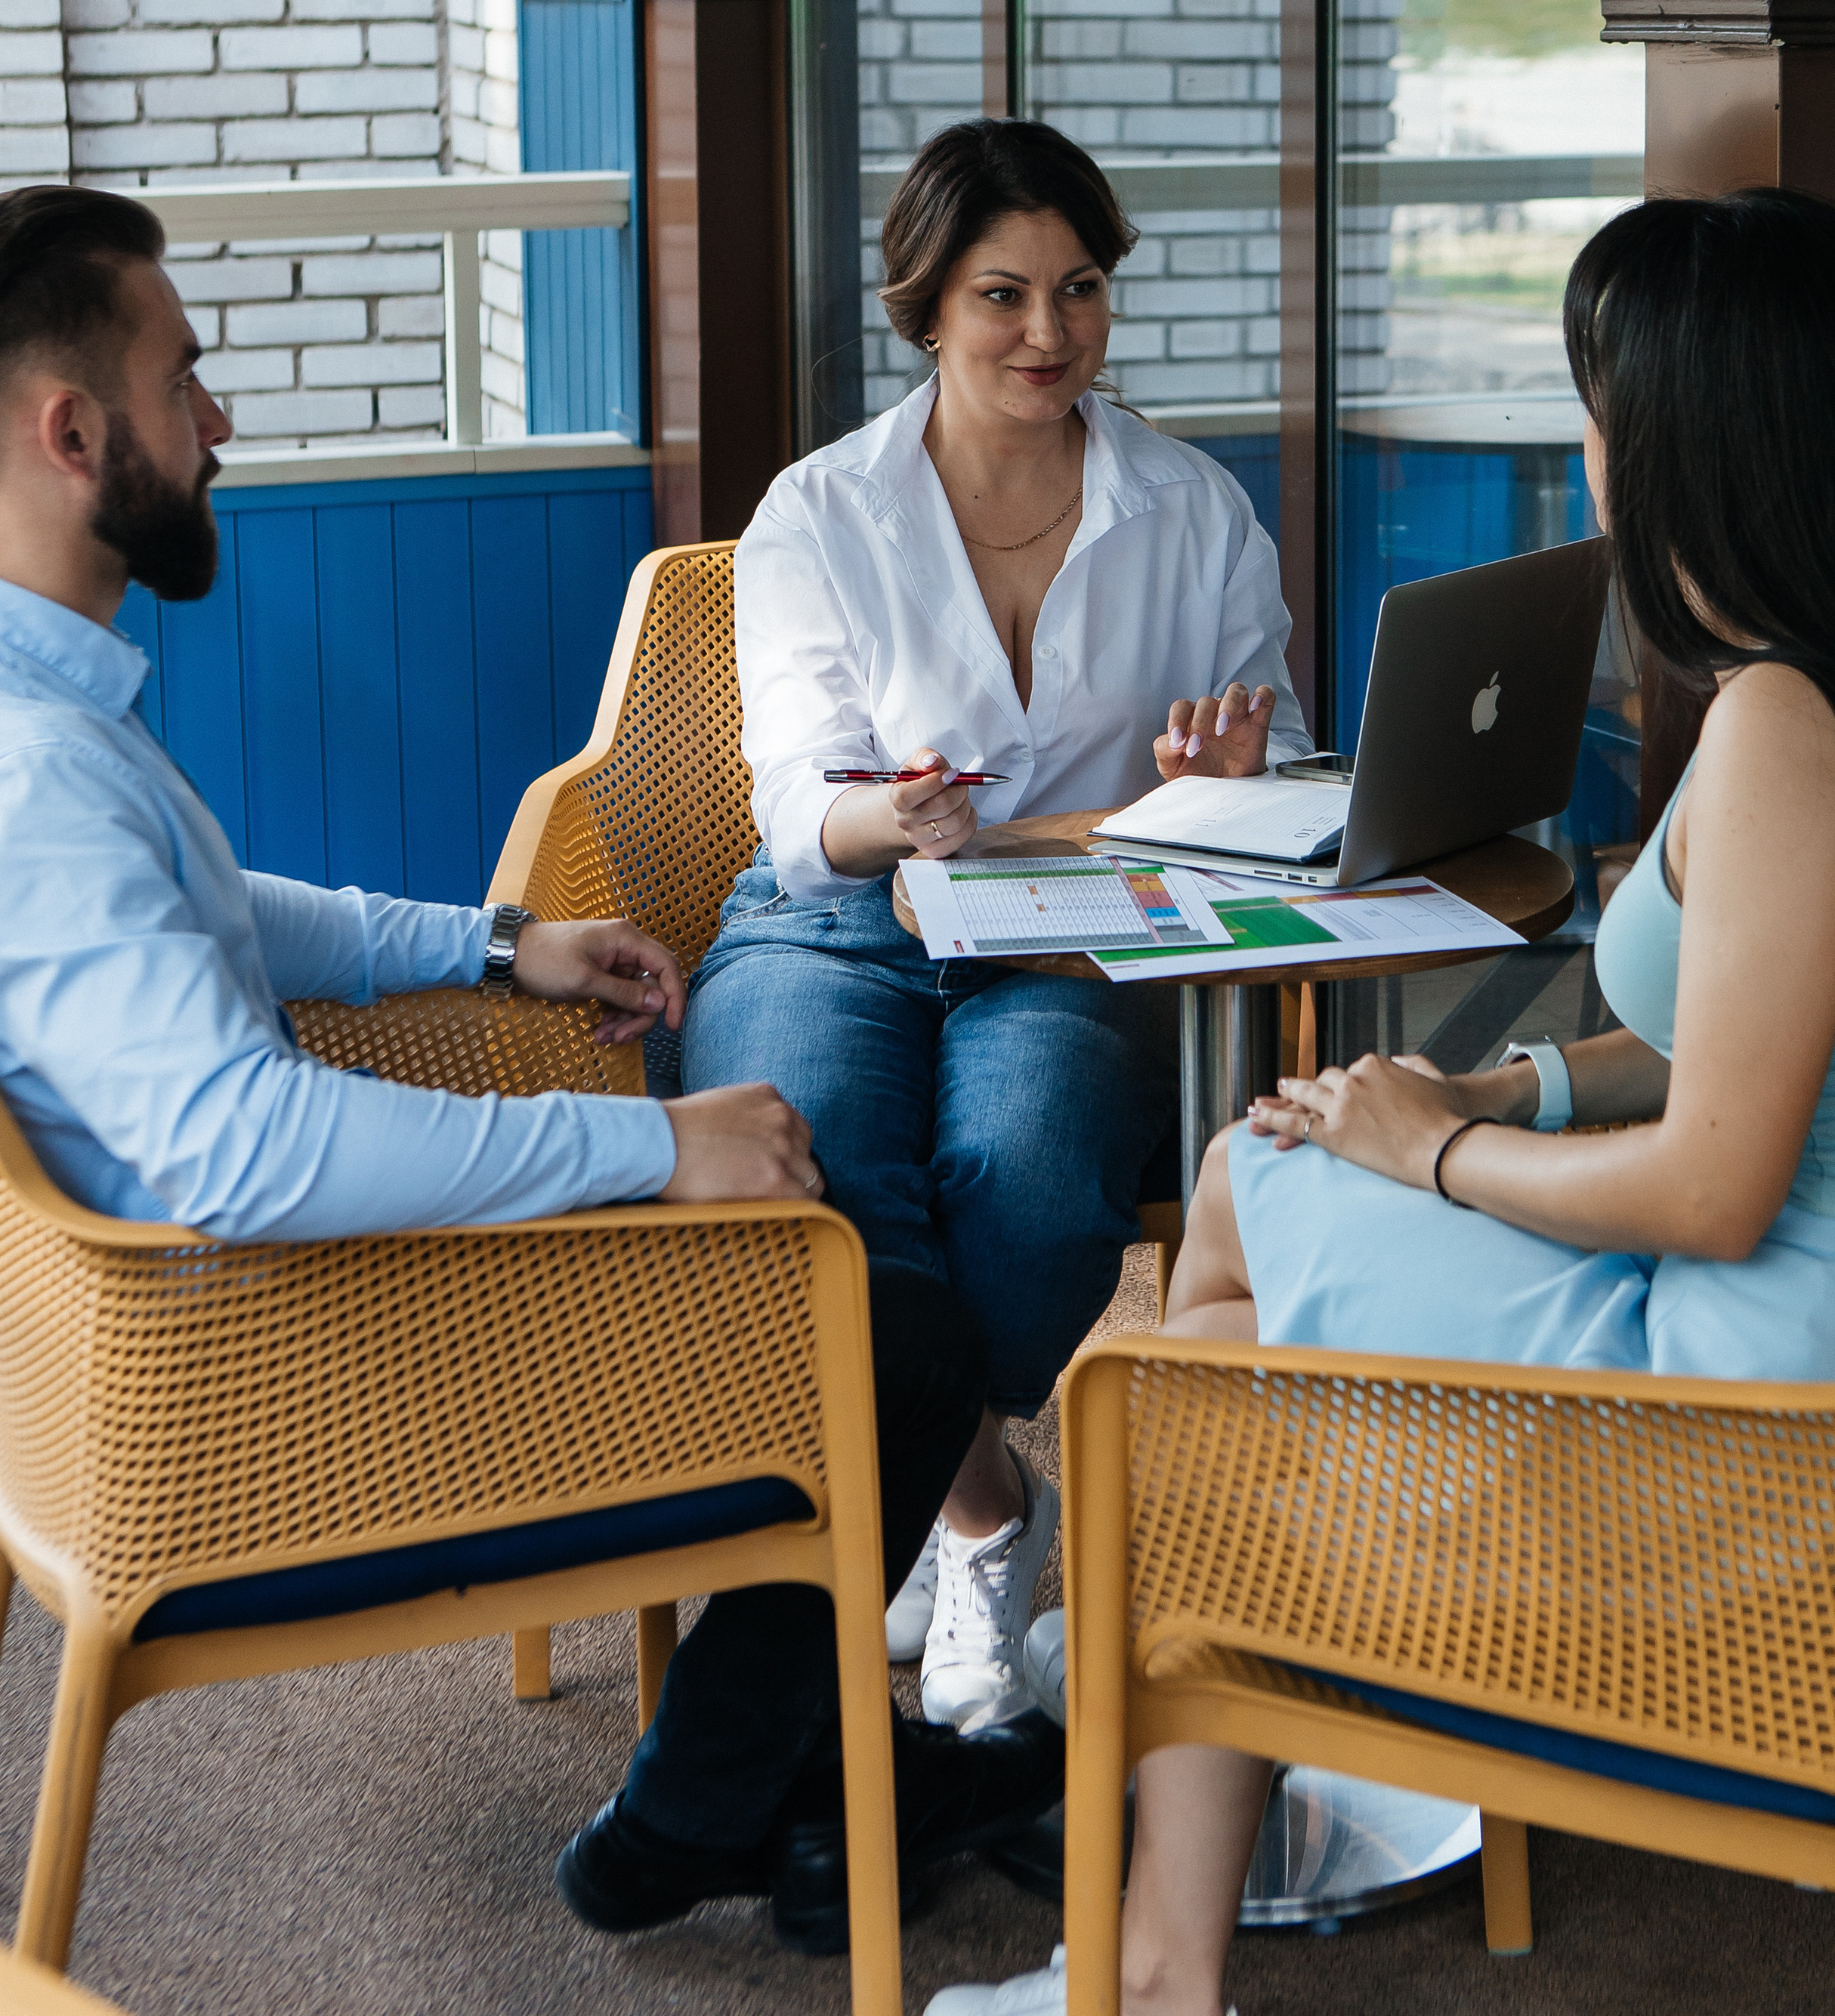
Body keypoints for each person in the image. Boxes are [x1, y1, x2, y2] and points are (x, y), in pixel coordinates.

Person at [0, 184, 1058, 1951]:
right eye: (188, 383)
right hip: (280, 1373)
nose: (221, 422)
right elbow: (249, 1156)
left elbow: (221, 914)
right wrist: (649, 1152)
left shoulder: (46, 726)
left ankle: (798, 1790)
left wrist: (497, 943)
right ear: (72, 429)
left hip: (230, 1320)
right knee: (892, 1330)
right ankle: (697, 1808)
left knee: (856, 1298)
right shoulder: (34, 776)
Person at [926, 184, 1835, 2016]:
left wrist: (1441, 1150)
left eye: (1600, 406)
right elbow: (1755, 1043)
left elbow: (1713, 1183)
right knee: (1251, 1218)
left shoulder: (1787, 730)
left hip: (1762, 1434)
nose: (1589, 446)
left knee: (1193, 1320)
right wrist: (1506, 1080)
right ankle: (1258, 1684)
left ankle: (1212, 1825)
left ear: (1703, 441)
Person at [678, 116, 1312, 1726]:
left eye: (1080, 289)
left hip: (1073, 930)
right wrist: (898, 814)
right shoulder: (821, 512)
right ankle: (974, 1513)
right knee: (810, 1164)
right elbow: (798, 818)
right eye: (1002, 297)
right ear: (927, 307)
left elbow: (1288, 769)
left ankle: (893, 1489)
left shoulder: (1192, 509)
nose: (1049, 335)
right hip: (839, 918)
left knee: (1027, 1178)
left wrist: (1232, 769)